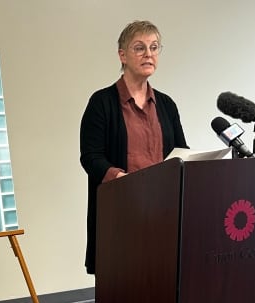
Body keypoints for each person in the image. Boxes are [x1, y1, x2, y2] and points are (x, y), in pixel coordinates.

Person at [79, 20, 187, 275]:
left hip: (163, 208)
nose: (148, 54)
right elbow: (91, 157)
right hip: (122, 209)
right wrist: (122, 180)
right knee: (122, 285)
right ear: (123, 55)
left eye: (154, 47)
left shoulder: (167, 104)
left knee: (162, 280)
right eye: (140, 48)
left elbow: (181, 150)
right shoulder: (101, 102)